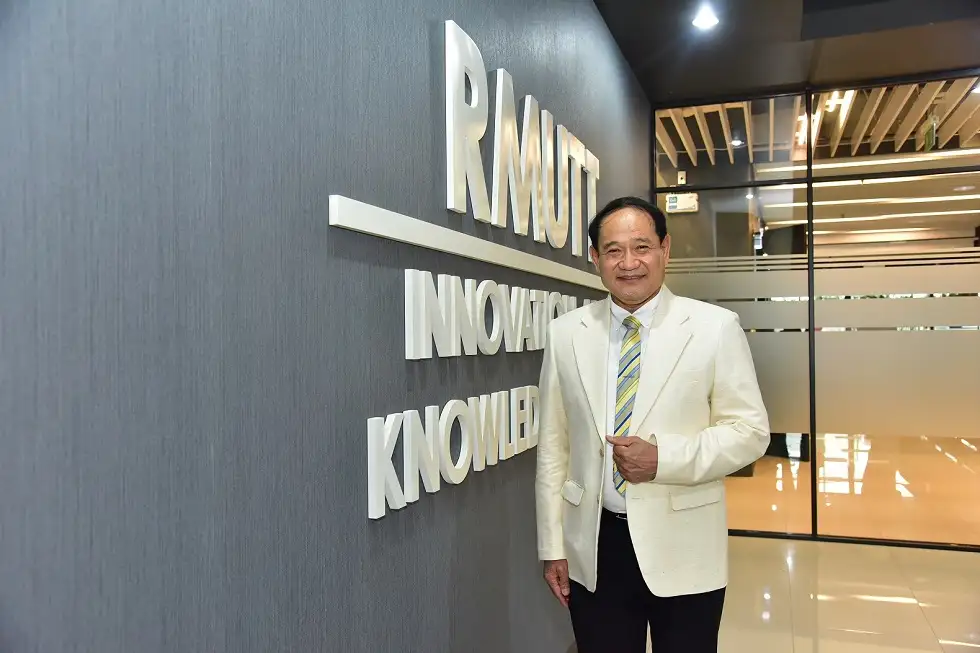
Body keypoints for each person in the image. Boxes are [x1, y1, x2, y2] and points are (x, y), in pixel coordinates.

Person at [534, 196, 770, 653]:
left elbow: (750, 431)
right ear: (595, 257)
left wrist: (663, 459)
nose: (629, 263)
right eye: (614, 250)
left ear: (665, 249)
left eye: (641, 247)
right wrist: (552, 545)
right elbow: (553, 448)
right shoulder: (566, 333)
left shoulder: (714, 328)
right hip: (594, 546)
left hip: (685, 543)